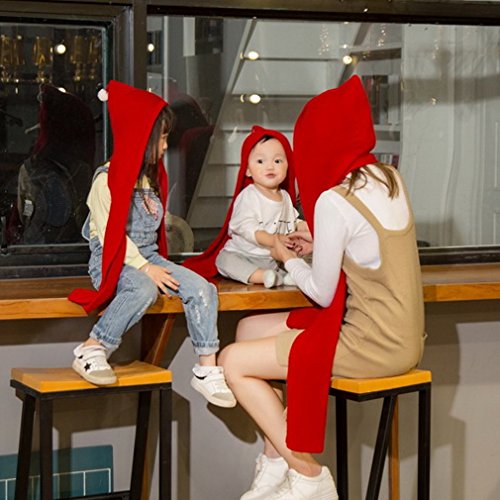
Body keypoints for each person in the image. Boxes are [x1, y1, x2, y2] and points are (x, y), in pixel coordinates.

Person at [219, 75, 426, 499]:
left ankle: (309, 475)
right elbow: (366, 245)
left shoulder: (334, 199)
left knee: (231, 361)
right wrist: (317, 244)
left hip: (370, 343)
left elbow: (321, 292)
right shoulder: (388, 178)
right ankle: (275, 462)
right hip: (405, 337)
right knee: (249, 329)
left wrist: (288, 258)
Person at [68, 80, 235, 409]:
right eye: (162, 137)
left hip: (149, 258)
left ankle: (206, 368)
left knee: (203, 289)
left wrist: (155, 256)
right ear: (142, 137)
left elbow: (150, 232)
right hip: (114, 259)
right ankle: (93, 347)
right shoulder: (105, 181)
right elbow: (112, 235)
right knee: (142, 288)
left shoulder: (148, 180)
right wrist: (146, 268)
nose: (166, 145)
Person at [184, 126, 307, 288]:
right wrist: (273, 240)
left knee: (295, 256)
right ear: (248, 169)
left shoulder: (285, 197)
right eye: (260, 161)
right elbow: (246, 227)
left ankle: (286, 275)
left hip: (274, 257)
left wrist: (306, 228)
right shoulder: (249, 196)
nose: (270, 167)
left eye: (277, 161)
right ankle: (262, 276)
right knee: (224, 260)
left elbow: (293, 221)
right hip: (245, 254)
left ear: (287, 166)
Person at [17, 84, 95, 245]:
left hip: (35, 245)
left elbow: (25, 211)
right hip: (74, 246)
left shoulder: (29, 168)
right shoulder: (83, 170)